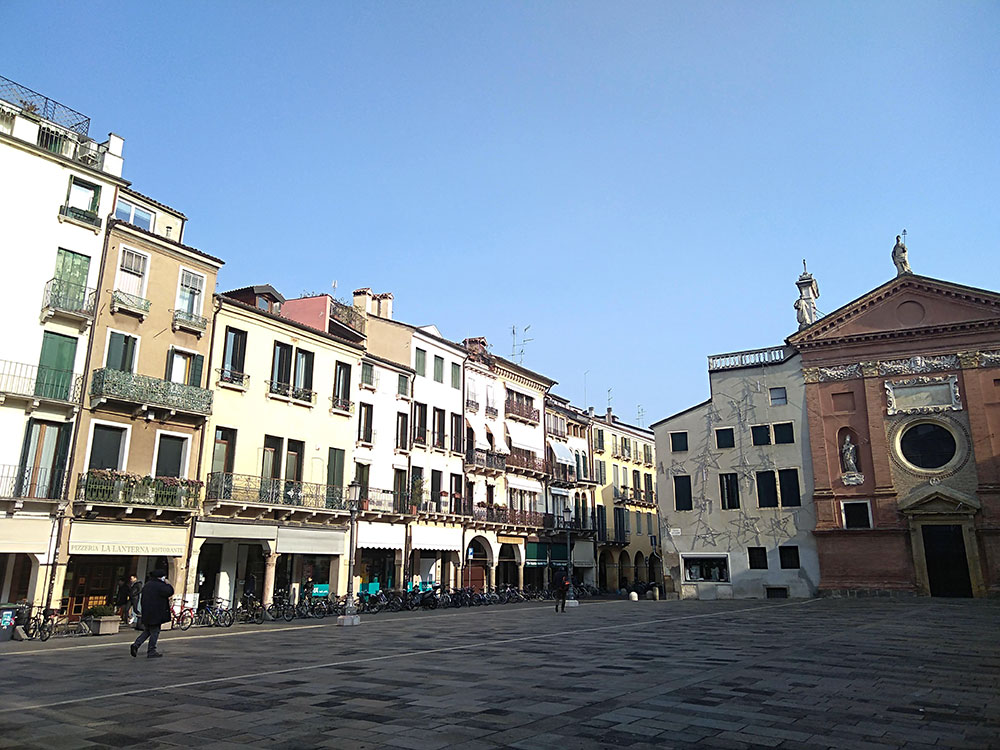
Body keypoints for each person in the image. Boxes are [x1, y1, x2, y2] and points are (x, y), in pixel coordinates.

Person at [130, 569, 173, 659]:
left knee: (148, 631)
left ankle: (136, 645)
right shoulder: (160, 586)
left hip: (147, 612)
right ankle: (151, 650)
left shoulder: (147, 585)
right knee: (155, 632)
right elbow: (169, 592)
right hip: (156, 613)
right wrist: (168, 584)